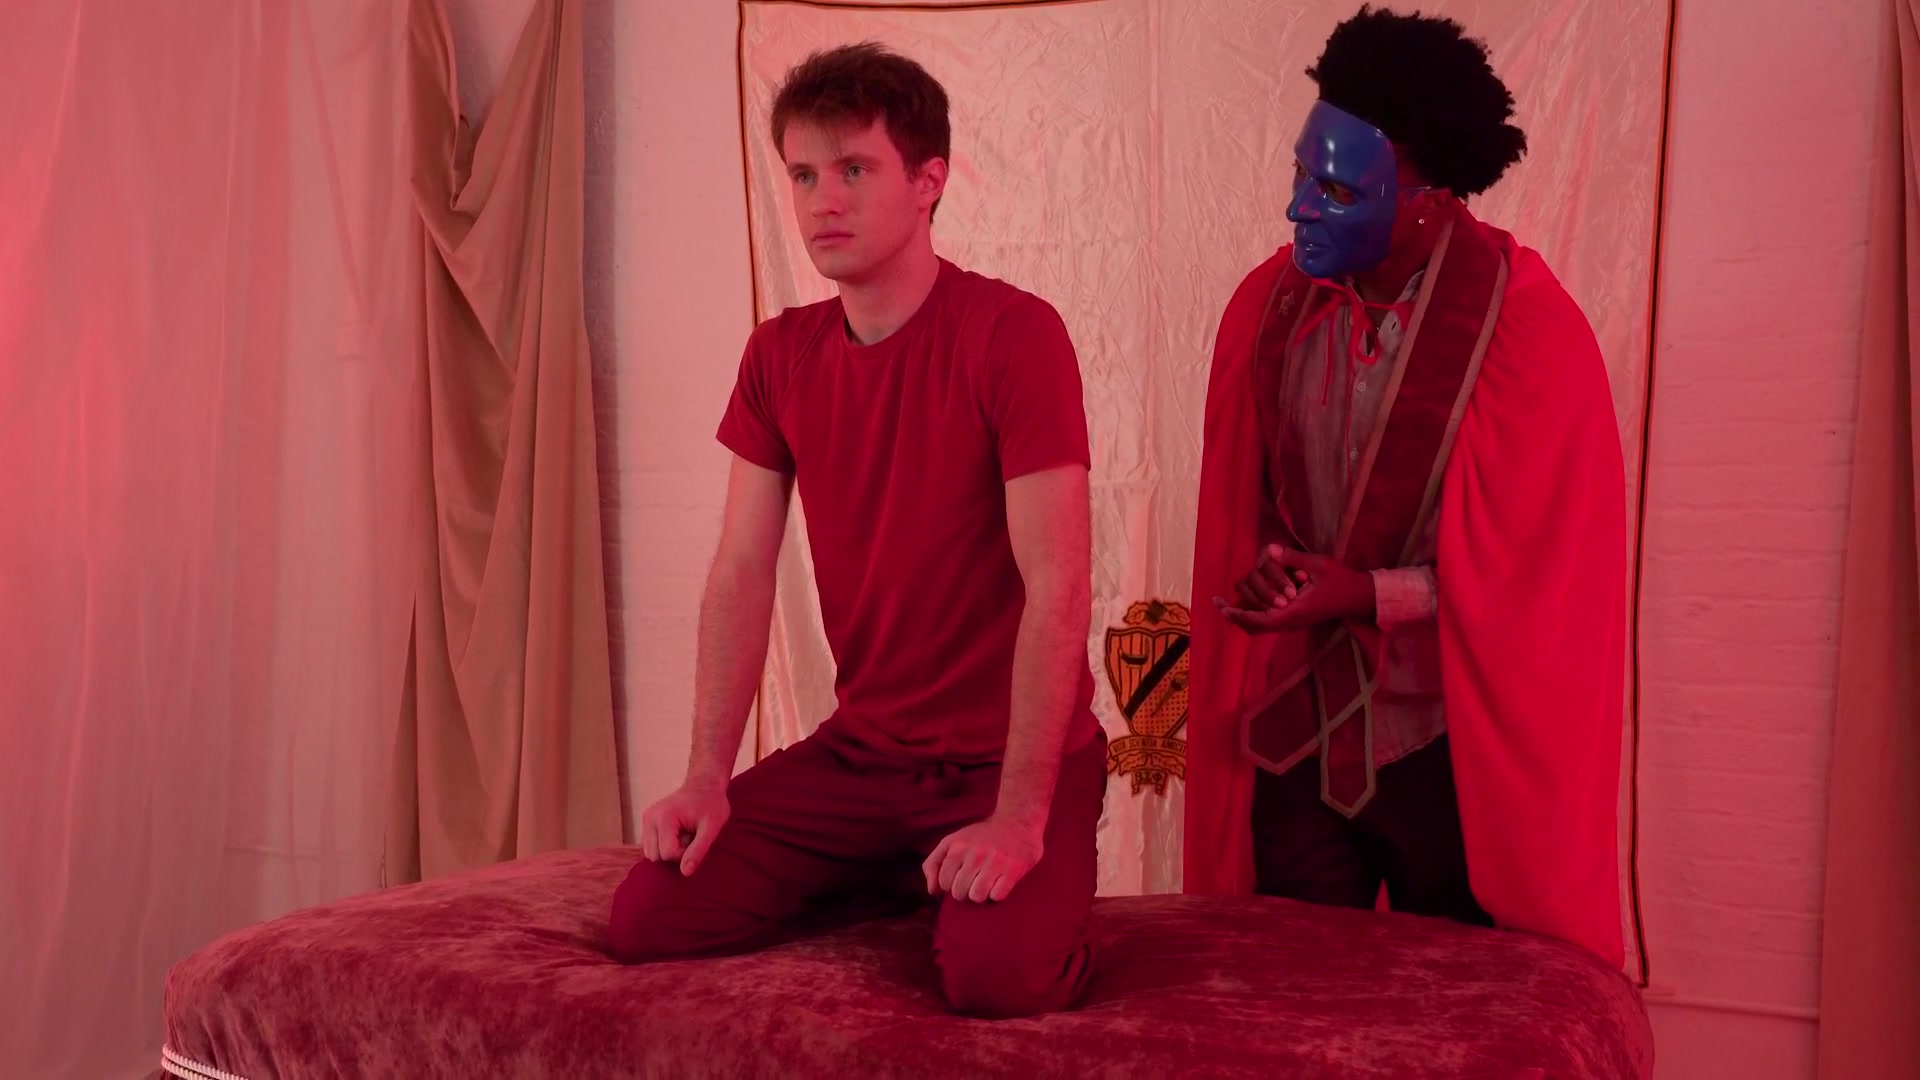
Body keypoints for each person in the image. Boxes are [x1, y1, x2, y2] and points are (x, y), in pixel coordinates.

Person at [605, 42, 1106, 1019]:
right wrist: (706, 776)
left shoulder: (1013, 333)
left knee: (997, 979)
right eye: (802, 174)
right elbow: (741, 570)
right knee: (648, 919)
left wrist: (1019, 817)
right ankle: (894, 875)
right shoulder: (778, 354)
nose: (822, 201)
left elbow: (1061, 585)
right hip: (862, 758)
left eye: (853, 170)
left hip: (1003, 762)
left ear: (928, 182)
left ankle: (978, 882)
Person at [1184, 5, 1629, 968]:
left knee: (1460, 1005)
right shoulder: (1266, 310)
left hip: (1449, 748)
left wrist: (1363, 594)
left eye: (1338, 188)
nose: (1301, 209)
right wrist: (1270, 577)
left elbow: (1534, 587)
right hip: (1299, 736)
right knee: (1284, 995)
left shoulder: (1528, 335)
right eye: (1301, 174)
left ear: (1427, 199)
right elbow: (1246, 512)